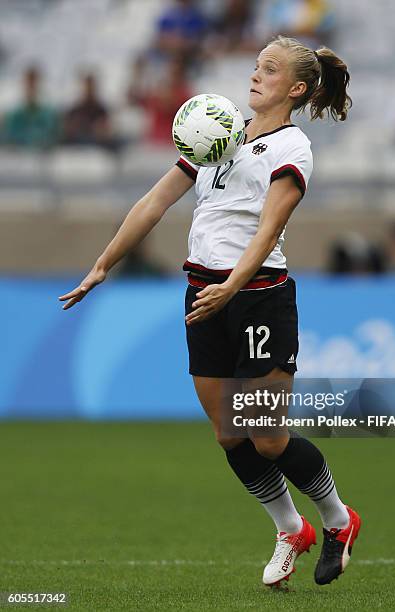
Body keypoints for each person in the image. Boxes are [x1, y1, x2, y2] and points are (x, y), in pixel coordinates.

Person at [59, 36, 361, 588]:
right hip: (203, 293)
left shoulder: (293, 148)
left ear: (295, 89)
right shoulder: (218, 132)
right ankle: (290, 529)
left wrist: (233, 287)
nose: (255, 76)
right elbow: (154, 201)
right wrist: (103, 264)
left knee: (266, 435)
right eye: (255, 66)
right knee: (229, 434)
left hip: (258, 297)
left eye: (269, 71)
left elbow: (269, 228)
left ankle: (339, 519)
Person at [1, 65, 60, 149]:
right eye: (28, 83)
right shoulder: (14, 115)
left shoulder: (49, 114)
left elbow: (54, 137)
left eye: (34, 83)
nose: (31, 87)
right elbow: (8, 138)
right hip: (17, 158)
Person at [62, 72, 117, 151]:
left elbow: (109, 132)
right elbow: (66, 131)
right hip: (77, 149)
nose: (89, 89)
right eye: (87, 86)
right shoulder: (74, 110)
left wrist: (102, 131)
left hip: (97, 149)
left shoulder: (101, 110)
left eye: (91, 86)